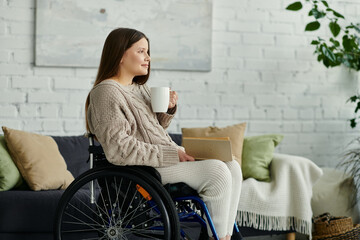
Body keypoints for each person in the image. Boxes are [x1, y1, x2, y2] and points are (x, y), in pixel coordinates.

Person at [85, 27, 242, 240]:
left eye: (147, 52)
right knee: (217, 172)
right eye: (141, 51)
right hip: (143, 169)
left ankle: (225, 236)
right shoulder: (106, 92)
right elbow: (118, 150)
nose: (148, 58)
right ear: (121, 54)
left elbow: (150, 131)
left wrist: (166, 110)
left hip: (159, 160)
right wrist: (171, 154)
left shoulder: (139, 89)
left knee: (232, 165)